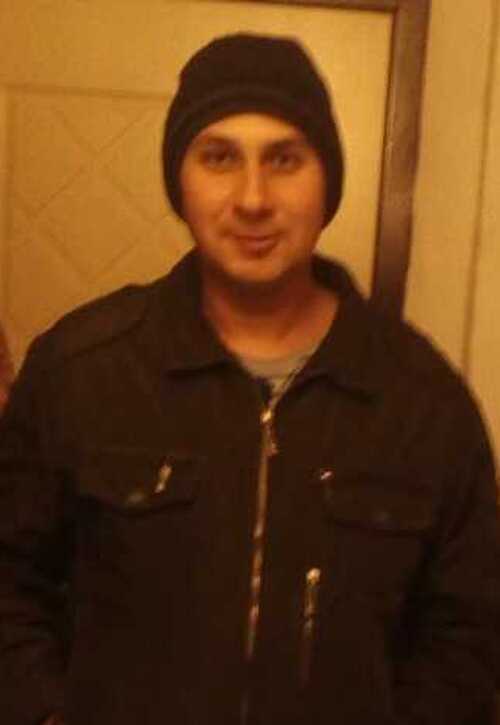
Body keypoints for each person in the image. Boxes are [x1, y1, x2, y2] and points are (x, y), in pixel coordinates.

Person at [0, 32, 499, 725]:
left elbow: (468, 636)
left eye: (285, 159)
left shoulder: (423, 401)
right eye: (220, 157)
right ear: (180, 179)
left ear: (328, 182)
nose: (253, 197)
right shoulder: (80, 371)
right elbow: (11, 582)